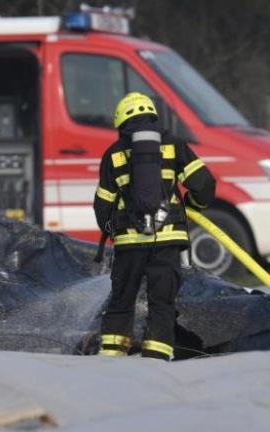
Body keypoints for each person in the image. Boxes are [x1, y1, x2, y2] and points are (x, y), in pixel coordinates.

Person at [93, 92, 216, 360]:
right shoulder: (174, 145)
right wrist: (192, 205)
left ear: (120, 121)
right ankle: (156, 360)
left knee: (122, 301)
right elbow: (204, 184)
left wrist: (113, 229)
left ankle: (111, 357)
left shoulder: (113, 154)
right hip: (167, 240)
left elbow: (102, 204)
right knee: (162, 304)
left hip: (129, 243)